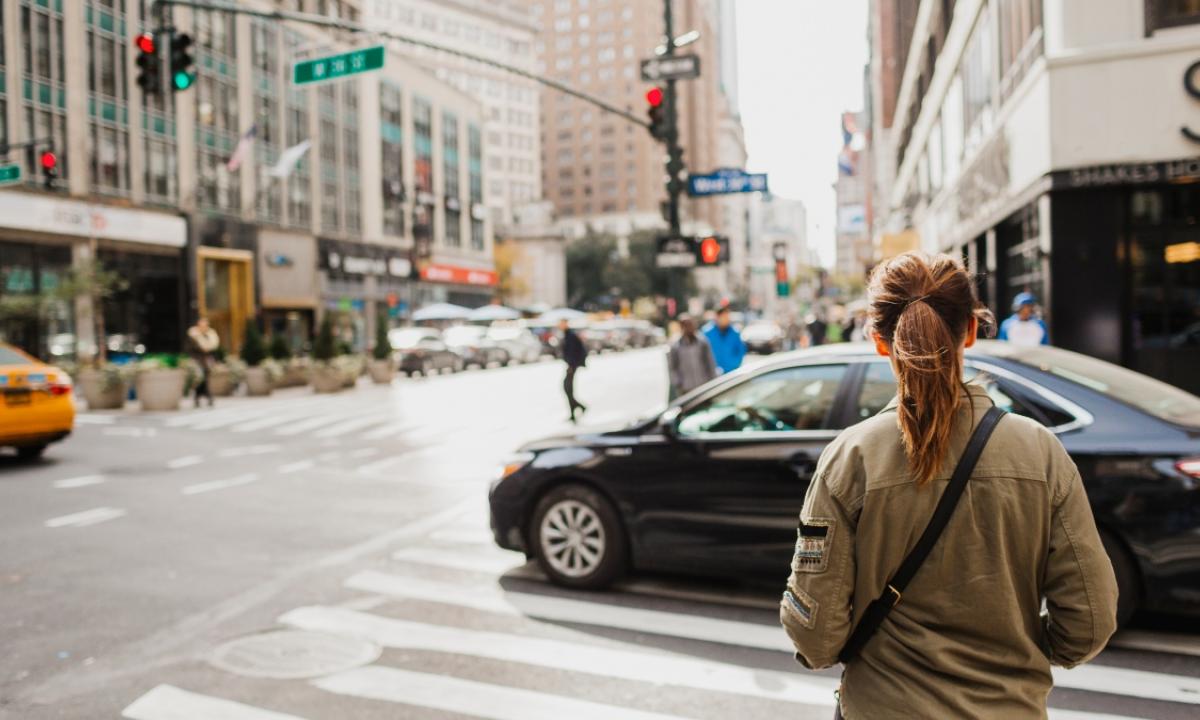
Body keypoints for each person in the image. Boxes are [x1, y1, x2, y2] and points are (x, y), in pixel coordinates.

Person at [780, 252, 1117, 719]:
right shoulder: (1039, 452)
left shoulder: (851, 458)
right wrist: (1013, 645)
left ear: (879, 342)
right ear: (973, 330)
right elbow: (1090, 622)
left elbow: (816, 636)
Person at [667, 314, 717, 400]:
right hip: (686, 389)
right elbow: (672, 367)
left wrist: (712, 380)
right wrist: (678, 384)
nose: (689, 328)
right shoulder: (676, 345)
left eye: (690, 324)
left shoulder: (702, 342)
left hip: (703, 385)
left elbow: (710, 362)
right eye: (685, 325)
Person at [186, 317, 220, 408]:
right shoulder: (193, 335)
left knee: (205, 378)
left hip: (207, 360)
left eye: (205, 325)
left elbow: (213, 349)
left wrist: (214, 359)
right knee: (201, 378)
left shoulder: (211, 335)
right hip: (198, 360)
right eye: (202, 325)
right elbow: (190, 349)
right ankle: (208, 396)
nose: (204, 327)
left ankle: (200, 396)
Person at [559, 318, 588, 422]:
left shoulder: (570, 335)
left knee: (567, 388)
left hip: (572, 366)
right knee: (567, 388)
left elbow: (572, 352)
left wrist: (571, 366)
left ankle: (579, 407)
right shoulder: (568, 334)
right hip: (571, 365)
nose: (559, 325)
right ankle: (575, 410)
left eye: (561, 323)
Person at [702, 306, 746, 374]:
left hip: (731, 372)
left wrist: (734, 364)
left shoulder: (735, 333)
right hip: (712, 373)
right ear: (717, 317)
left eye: (727, 317)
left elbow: (741, 351)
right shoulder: (707, 333)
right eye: (723, 317)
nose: (726, 319)